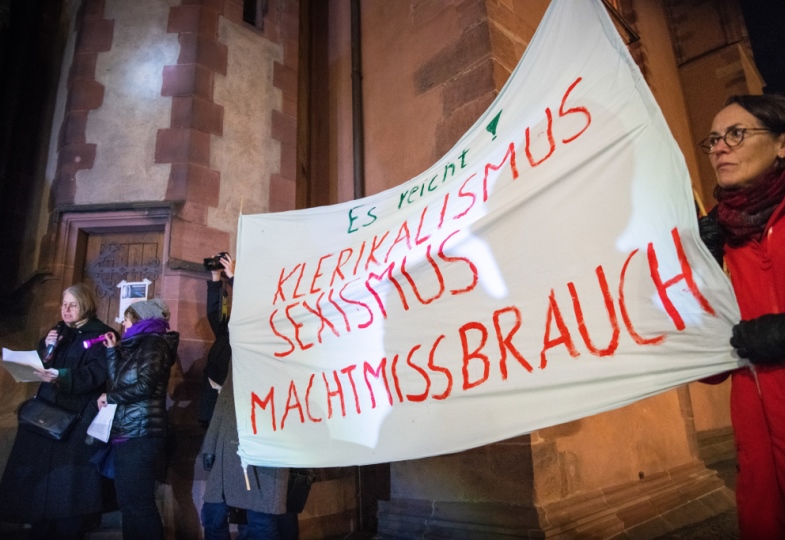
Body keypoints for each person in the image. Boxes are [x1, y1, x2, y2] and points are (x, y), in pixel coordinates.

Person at [698, 93, 785, 539]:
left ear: (781, 143)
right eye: (713, 139)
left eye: (736, 134)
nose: (719, 147)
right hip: (761, 474)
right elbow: (710, 370)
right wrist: (704, 272)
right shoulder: (720, 239)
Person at [0, 284, 115, 539]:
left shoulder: (101, 335)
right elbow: (41, 364)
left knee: (68, 485)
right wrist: (47, 350)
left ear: (85, 305)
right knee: (42, 481)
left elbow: (96, 373)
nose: (66, 309)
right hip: (45, 415)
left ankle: (69, 529)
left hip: (76, 418)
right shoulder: (57, 332)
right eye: (64, 304)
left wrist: (61, 376)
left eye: (72, 304)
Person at [200, 253, 296, 540]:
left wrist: (239, 280)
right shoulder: (236, 347)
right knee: (214, 514)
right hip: (229, 431)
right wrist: (217, 281)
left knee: (262, 519)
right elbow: (221, 320)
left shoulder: (275, 334)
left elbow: (264, 317)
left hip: (264, 440)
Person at [97, 298, 178, 540]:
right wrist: (112, 352)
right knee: (128, 503)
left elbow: (145, 386)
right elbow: (118, 383)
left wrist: (110, 398)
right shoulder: (136, 347)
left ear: (139, 319)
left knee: (140, 504)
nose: (123, 322)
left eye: (127, 317)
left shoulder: (155, 344)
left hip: (142, 434)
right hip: (126, 432)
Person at [197, 253, 233, 426]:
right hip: (213, 387)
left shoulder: (252, 320)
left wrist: (233, 278)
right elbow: (214, 315)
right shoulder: (229, 327)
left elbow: (254, 302)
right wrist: (216, 277)